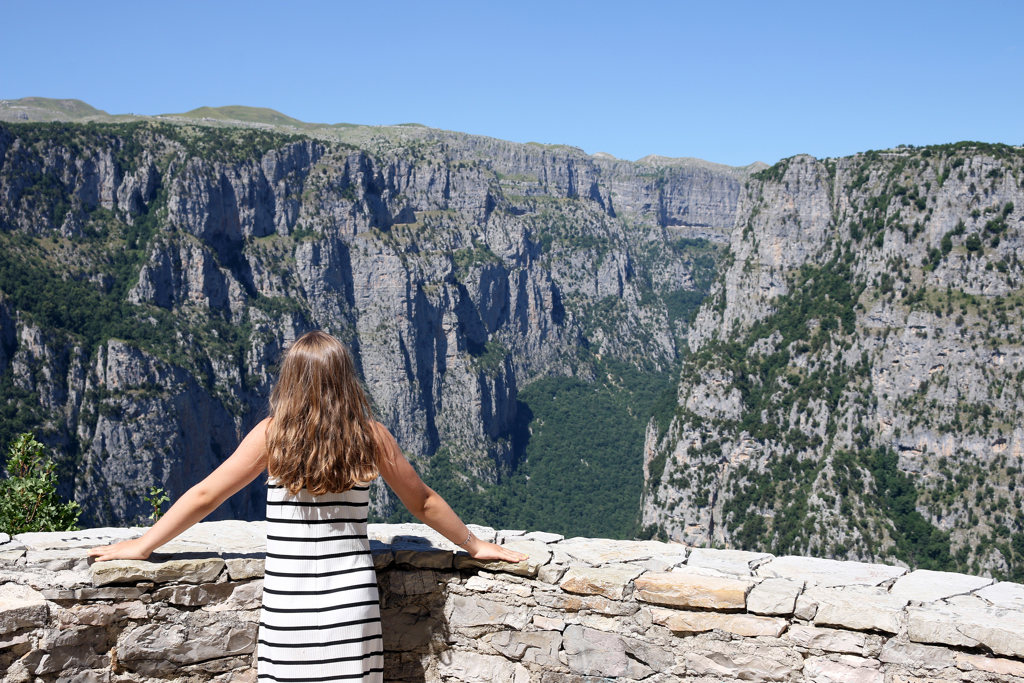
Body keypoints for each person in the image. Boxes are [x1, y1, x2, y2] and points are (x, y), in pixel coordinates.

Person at [89, 330, 527, 683]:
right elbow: (424, 502)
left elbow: (206, 495)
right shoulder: (370, 437)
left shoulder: (272, 435)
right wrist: (474, 544)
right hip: (352, 604)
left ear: (292, 380)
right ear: (345, 379)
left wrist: (145, 545)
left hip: (289, 605)